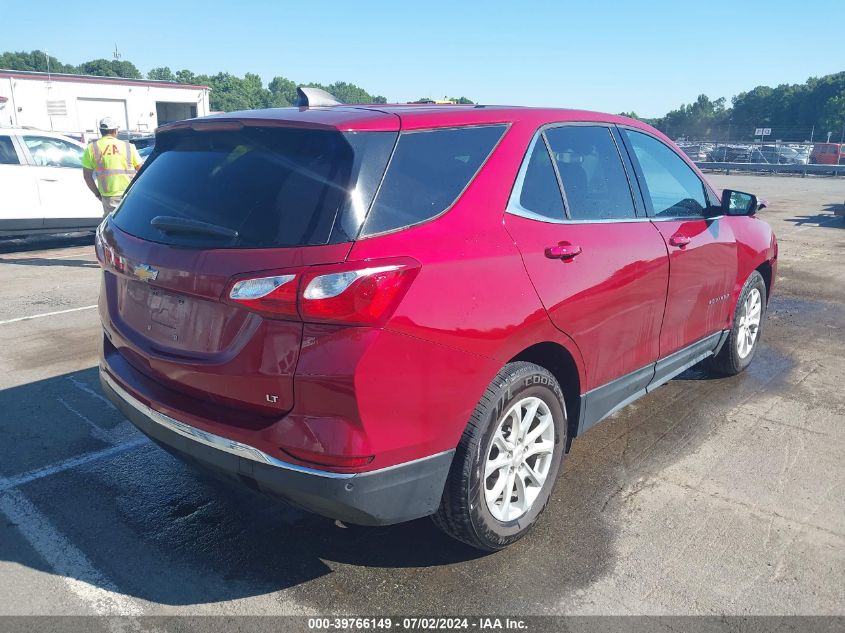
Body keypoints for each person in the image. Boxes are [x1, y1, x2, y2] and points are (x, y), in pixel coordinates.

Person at [81, 117, 143, 216]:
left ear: (101, 131)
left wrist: (97, 194)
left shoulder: (91, 148)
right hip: (130, 194)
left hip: (109, 197)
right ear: (115, 130)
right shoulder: (128, 146)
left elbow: (87, 176)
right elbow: (142, 171)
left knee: (112, 227)